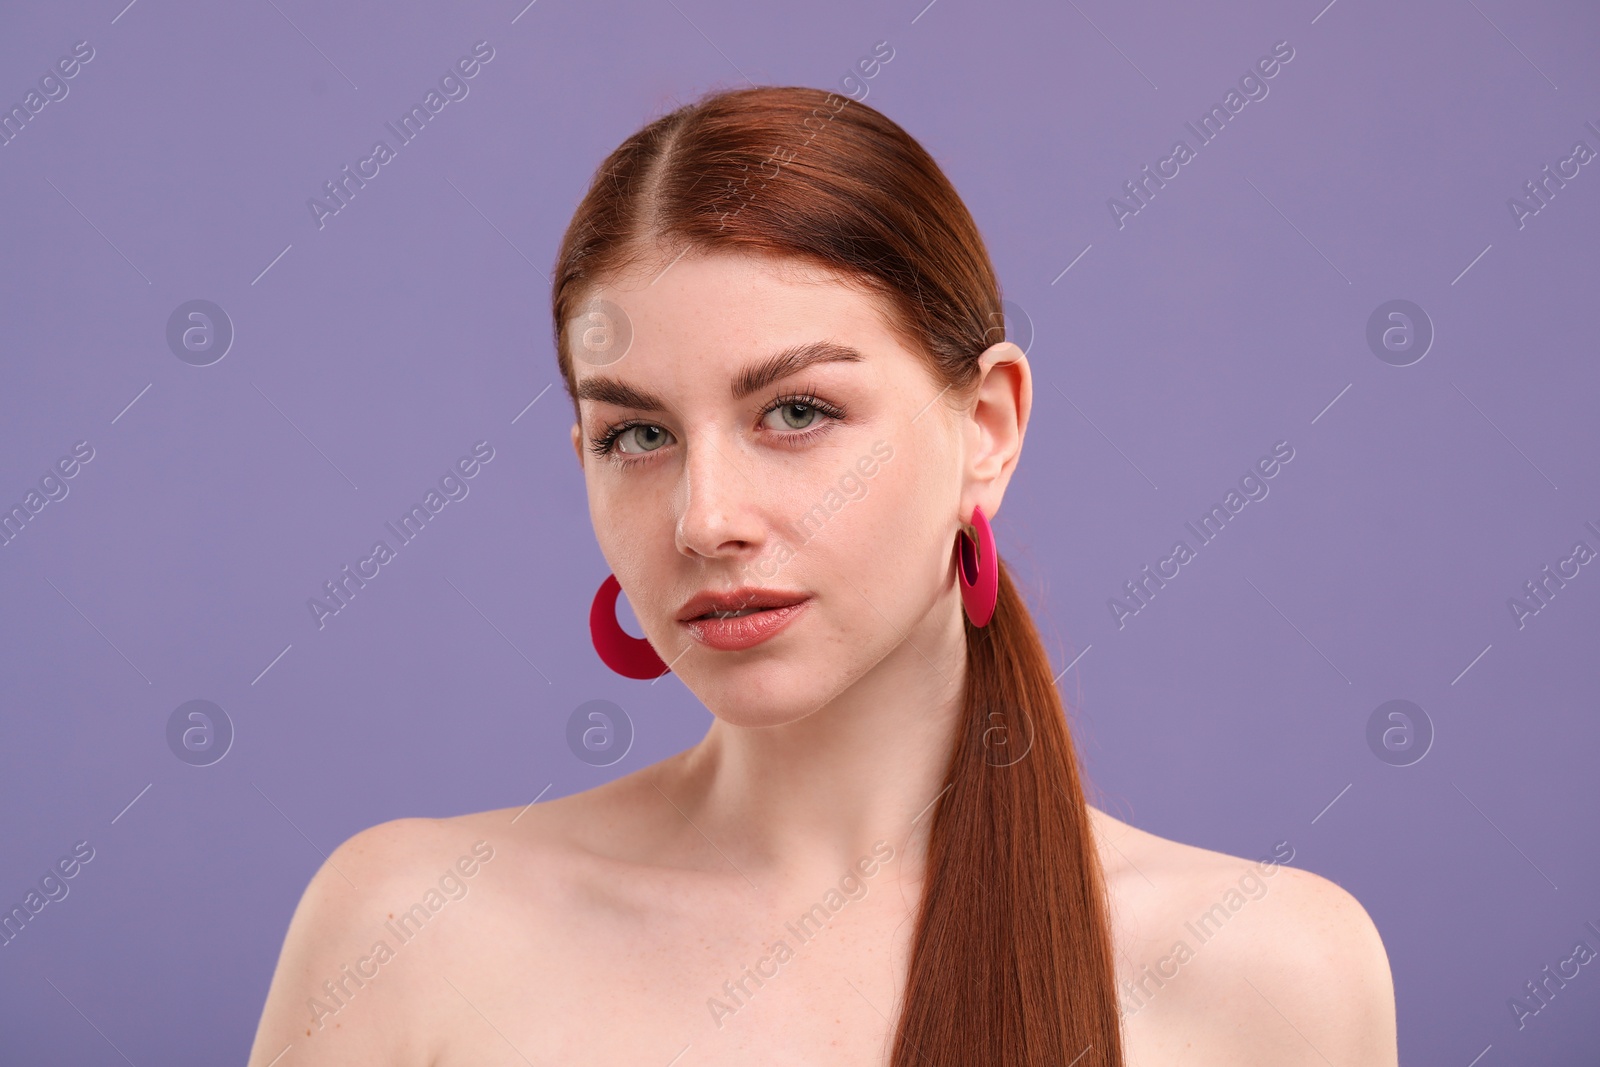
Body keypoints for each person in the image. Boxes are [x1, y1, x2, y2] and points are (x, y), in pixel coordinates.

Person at [247, 85, 1397, 1066]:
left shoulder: (1267, 970)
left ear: (985, 428)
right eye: (636, 436)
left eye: (796, 411)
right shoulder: (404, 930)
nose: (706, 519)